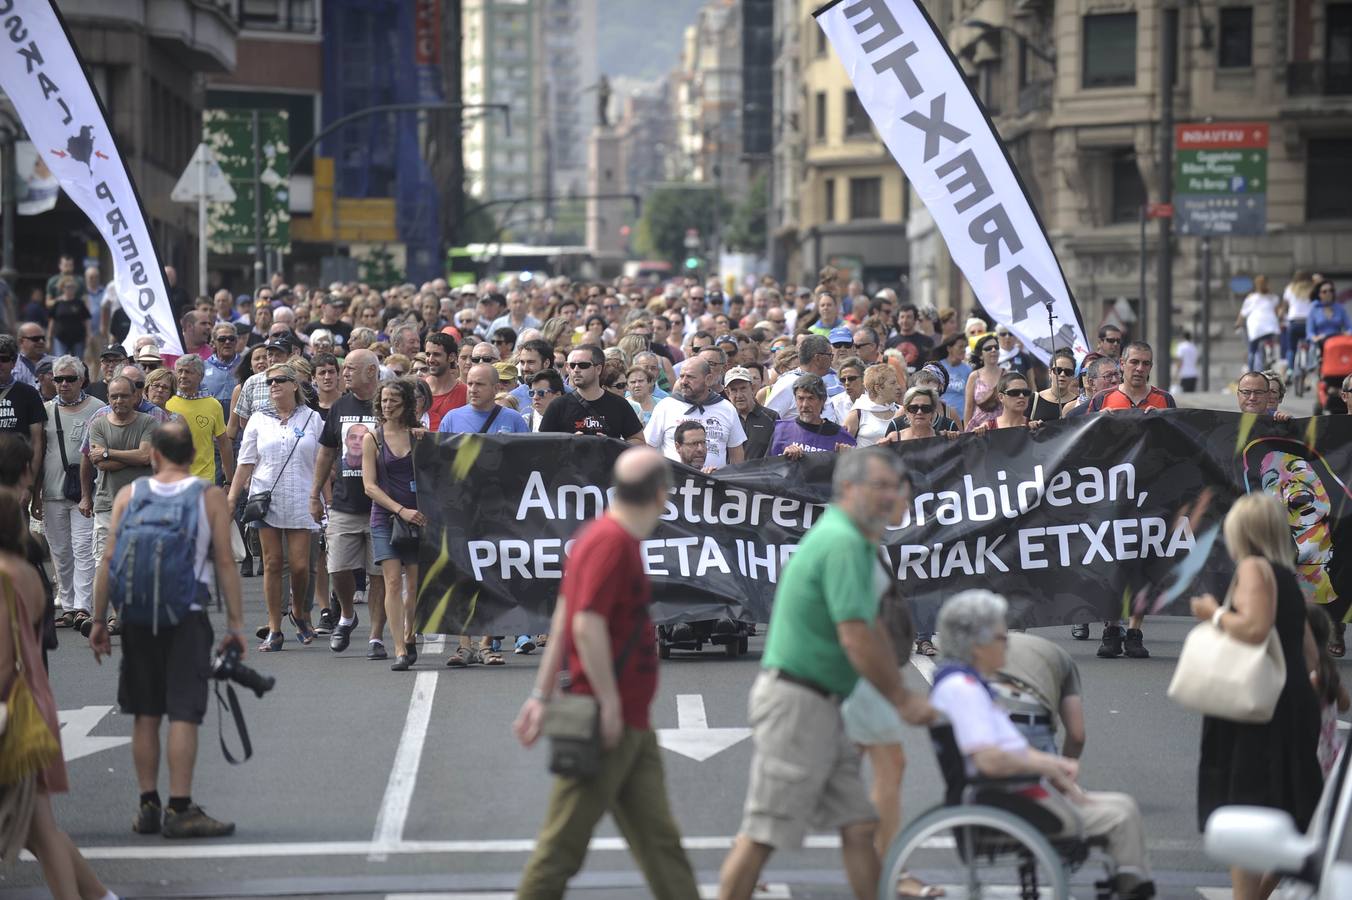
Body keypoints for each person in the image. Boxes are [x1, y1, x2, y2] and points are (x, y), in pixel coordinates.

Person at [717, 449, 933, 900]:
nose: (892, 497)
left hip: (820, 702)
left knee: (858, 826)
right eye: (882, 487)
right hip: (798, 703)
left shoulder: (852, 537)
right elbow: (856, 636)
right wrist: (902, 697)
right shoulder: (844, 542)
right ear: (849, 489)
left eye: (895, 488)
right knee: (763, 833)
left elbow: (868, 625)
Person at [513, 447, 699, 900]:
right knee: (562, 848)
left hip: (628, 719)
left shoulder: (602, 538)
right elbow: (584, 623)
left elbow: (563, 617)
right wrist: (609, 702)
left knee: (660, 842)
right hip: (606, 718)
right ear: (660, 494)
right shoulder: (611, 543)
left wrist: (540, 696)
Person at [930, 590, 1154, 899]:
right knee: (1120, 816)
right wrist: (1051, 764)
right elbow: (989, 760)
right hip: (1007, 799)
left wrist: (1055, 772)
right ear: (977, 644)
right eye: (1000, 638)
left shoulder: (969, 685)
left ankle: (1132, 883)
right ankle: (1135, 888)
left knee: (1123, 806)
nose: (1007, 646)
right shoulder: (964, 690)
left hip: (1010, 792)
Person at [89, 420, 246, 839]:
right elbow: (225, 563)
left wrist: (99, 620)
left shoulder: (129, 494)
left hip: (137, 616)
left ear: (154, 455)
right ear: (193, 455)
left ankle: (148, 805)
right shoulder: (207, 495)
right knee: (182, 712)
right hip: (186, 615)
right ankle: (180, 806)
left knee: (144, 712)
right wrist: (235, 625)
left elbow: (107, 561)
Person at [1189, 493, 1322, 900]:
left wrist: (1212, 612)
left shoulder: (1251, 569)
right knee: (1290, 808)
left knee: (1243, 813)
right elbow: (1311, 654)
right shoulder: (1287, 578)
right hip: (1290, 703)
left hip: (1255, 708)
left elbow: (1254, 629)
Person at [0, 488, 117, 897]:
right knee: (40, 831)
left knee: (40, 832)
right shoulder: (28, 572)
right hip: (32, 699)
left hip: (11, 710)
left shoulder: (4, 577)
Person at [229, 364, 323, 651]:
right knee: (271, 563)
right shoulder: (258, 419)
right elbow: (246, 461)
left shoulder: (313, 419)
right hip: (266, 497)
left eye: (280, 380)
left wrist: (323, 499)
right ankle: (274, 628)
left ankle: (299, 613)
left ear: (295, 385)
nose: (274, 385)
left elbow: (324, 462)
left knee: (299, 564)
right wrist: (232, 498)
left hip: (302, 497)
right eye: (270, 382)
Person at [311, 349, 386, 656]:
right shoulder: (341, 405)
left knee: (378, 574)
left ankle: (376, 637)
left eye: (351, 369)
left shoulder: (387, 403)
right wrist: (314, 494)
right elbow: (327, 452)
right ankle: (347, 615)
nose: (344, 374)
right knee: (338, 567)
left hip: (381, 505)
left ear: (371, 371)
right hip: (343, 504)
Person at [360, 378, 425, 671]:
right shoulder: (372, 438)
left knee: (414, 584)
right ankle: (399, 647)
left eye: (394, 402)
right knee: (392, 580)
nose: (387, 406)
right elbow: (369, 486)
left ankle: (411, 634)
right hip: (386, 518)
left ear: (407, 405)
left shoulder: (417, 436)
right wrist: (400, 510)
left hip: (418, 518)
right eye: (384, 401)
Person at [82, 376, 156, 627]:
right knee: (105, 562)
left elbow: (146, 456)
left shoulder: (148, 422)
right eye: (114, 396)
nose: (119, 401)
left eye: (124, 395)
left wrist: (107, 452)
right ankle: (106, 617)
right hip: (106, 503)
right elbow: (99, 463)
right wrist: (131, 457)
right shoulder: (99, 425)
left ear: (135, 396)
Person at [39, 356, 100, 631]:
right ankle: (67, 604)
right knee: (61, 552)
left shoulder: (99, 409)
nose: (63, 384)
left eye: (70, 379)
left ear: (82, 380)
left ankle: (82, 607)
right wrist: (32, 495)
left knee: (83, 549)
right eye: (59, 379)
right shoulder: (44, 411)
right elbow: (37, 454)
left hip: (87, 492)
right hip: (51, 491)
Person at [991, 632, 1086, 758]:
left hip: (992, 711)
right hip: (1033, 717)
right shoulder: (1059, 655)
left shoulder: (981, 645)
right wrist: (1065, 771)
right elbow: (1077, 736)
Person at [645, 357, 746, 469]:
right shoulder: (666, 406)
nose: (683, 382)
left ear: (708, 379)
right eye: (682, 376)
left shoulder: (727, 408)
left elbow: (737, 455)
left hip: (713, 483)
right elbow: (649, 448)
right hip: (674, 483)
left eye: (690, 377)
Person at [540, 345, 643, 441]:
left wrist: (611, 444)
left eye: (583, 365)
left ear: (598, 369)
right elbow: (543, 445)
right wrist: (568, 443)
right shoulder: (558, 406)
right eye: (572, 365)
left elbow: (639, 442)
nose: (576, 370)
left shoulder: (619, 404)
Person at [167, 355, 233, 485]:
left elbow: (224, 444)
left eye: (189, 372)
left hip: (203, 481)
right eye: (180, 371)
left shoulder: (213, 405)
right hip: (171, 479)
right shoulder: (167, 401)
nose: (183, 376)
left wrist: (229, 481)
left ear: (201, 376)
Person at [1306, 603, 1349, 778]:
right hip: (1333, 753)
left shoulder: (1312, 678)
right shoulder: (1328, 672)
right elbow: (1345, 705)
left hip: (1315, 757)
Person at [769, 373, 856, 458]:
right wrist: (785, 459)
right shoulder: (779, 430)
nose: (805, 404)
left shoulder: (841, 437)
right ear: (795, 399)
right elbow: (767, 467)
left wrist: (845, 459)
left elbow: (854, 470)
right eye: (800, 398)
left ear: (823, 400)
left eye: (811, 398)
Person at [0, 333, 47, 483]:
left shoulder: (29, 393)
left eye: (4, 359)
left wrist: (29, 485)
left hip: (16, 476)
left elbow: (37, 444)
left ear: (14, 363)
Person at [437, 363, 530, 435]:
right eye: (470, 384)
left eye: (479, 384)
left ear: (496, 388)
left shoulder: (514, 419)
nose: (473, 390)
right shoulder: (451, 419)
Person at [764, 334, 839, 420]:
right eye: (830, 355)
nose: (832, 359)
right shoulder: (789, 383)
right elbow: (767, 420)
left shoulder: (818, 381)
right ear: (818, 358)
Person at [1088, 341, 1177, 412]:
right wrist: (1100, 421)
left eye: (1146, 363)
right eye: (1134, 362)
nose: (1140, 368)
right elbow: (1088, 434)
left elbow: (1175, 433)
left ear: (1150, 367)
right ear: (1122, 364)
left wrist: (1161, 420)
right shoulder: (1101, 398)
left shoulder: (1165, 399)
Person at [841, 363, 901, 447]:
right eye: (893, 383)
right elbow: (842, 446)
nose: (898, 387)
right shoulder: (858, 412)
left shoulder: (902, 411)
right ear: (878, 388)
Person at [724, 366, 776, 460]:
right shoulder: (724, 419)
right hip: (730, 474)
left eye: (743, 388)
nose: (739, 395)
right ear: (727, 393)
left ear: (752, 388)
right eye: (734, 390)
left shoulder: (772, 417)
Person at [1238, 275, 1281, 373]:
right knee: (1275, 341)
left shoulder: (1251, 298)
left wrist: (1238, 323)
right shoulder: (1274, 297)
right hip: (1271, 327)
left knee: (1252, 351)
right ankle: (1273, 356)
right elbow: (1278, 313)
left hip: (1255, 328)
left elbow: (1243, 313)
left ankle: (1250, 371)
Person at [421, 333, 466, 430]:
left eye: (436, 354)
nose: (430, 360)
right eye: (428, 354)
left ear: (452, 357)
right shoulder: (417, 389)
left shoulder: (466, 392)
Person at [963, 333, 1002, 431]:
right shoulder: (974, 376)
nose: (993, 350)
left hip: (1002, 429)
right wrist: (966, 434)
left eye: (996, 347)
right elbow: (969, 407)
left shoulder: (1006, 375)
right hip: (978, 430)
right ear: (981, 355)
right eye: (988, 348)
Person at [202, 323, 244, 411]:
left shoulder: (245, 365)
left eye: (231, 339)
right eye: (222, 339)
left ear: (236, 341)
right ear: (213, 343)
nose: (227, 342)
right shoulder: (202, 367)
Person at [47, 277, 91, 360]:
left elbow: (86, 319)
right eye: (68, 287)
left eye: (72, 287)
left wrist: (88, 335)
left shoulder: (80, 303)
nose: (70, 289)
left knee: (77, 363)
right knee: (60, 361)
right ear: (63, 288)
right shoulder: (57, 303)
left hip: (78, 338)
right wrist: (49, 337)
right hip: (60, 338)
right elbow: (52, 320)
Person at [1031, 348, 1076, 421]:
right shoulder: (1034, 399)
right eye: (1058, 370)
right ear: (1049, 373)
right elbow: (1022, 426)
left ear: (1073, 376)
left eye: (1068, 372)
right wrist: (1031, 425)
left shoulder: (1078, 402)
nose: (1062, 374)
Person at [1307, 278, 1350, 342]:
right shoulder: (1314, 309)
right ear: (1319, 294)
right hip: (1321, 343)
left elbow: (1350, 327)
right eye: (1324, 291)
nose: (1328, 293)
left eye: (1331, 290)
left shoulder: (1340, 308)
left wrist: (1346, 334)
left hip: (1337, 341)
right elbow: (1310, 332)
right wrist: (1315, 338)